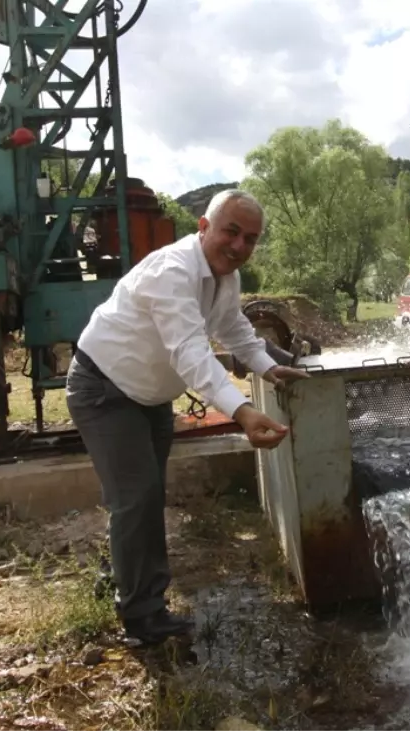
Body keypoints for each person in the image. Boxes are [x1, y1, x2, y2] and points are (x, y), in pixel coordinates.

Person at [65, 188, 308, 645]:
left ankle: (121, 577)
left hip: (149, 396)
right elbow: (190, 352)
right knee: (136, 497)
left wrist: (269, 367)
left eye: (250, 239)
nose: (239, 246)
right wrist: (241, 410)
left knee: (140, 497)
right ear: (203, 227)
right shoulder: (172, 271)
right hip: (105, 388)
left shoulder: (224, 277)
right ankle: (142, 617)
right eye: (230, 232)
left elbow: (234, 328)